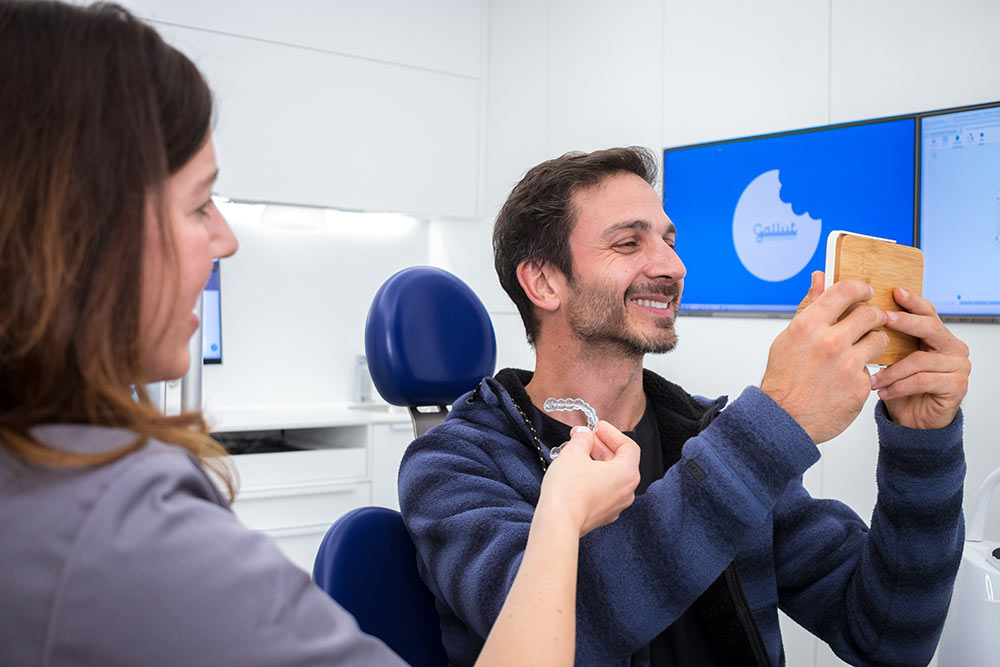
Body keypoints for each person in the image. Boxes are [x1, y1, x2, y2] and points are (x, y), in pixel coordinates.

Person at [0, 3, 641, 665]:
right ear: (79, 234)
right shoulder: (116, 530)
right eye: (198, 204)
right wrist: (560, 514)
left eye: (667, 238)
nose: (226, 238)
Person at [398, 146, 972, 666]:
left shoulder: (705, 435)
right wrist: (777, 421)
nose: (672, 266)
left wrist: (922, 445)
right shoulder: (453, 465)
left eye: (668, 240)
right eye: (629, 243)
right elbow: (560, 638)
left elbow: (893, 638)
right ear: (544, 282)